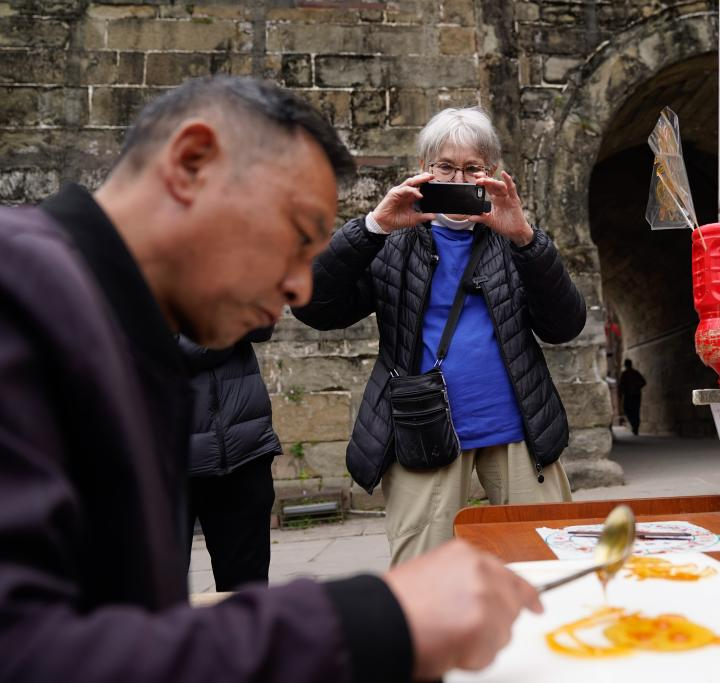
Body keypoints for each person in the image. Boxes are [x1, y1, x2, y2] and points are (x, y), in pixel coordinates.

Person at [0, 76, 540, 682]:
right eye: (296, 234)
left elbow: (115, 623)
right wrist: (372, 619)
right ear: (192, 163)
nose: (299, 288)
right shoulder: (18, 291)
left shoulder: (110, 331)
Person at [293, 107, 583, 564]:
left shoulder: (514, 239)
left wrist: (526, 240)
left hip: (517, 429)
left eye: (472, 168)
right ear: (423, 169)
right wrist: (372, 228)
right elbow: (312, 306)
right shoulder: (392, 242)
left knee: (546, 563)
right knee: (423, 574)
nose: (457, 179)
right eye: (445, 167)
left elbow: (565, 327)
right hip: (423, 429)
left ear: (491, 173)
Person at [179, 326, 280, 591]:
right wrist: (224, 328)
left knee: (247, 599)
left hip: (242, 453)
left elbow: (262, 317)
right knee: (153, 601)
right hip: (159, 462)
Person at [618, 359, 647, 436]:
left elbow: (643, 382)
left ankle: (635, 426)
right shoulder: (625, 374)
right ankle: (634, 425)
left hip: (634, 395)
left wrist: (636, 386)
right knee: (629, 410)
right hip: (630, 395)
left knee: (634, 411)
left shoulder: (634, 373)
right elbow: (621, 385)